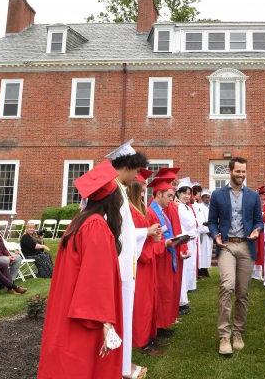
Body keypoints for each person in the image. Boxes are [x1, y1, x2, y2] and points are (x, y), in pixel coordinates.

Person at [38, 161, 125, 379]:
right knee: (80, 366)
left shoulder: (79, 222)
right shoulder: (96, 226)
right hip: (84, 316)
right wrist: (106, 323)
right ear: (112, 200)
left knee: (63, 364)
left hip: (67, 305)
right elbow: (96, 280)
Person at [106, 140, 159, 379]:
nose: (138, 176)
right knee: (120, 316)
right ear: (126, 166)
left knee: (125, 316)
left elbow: (126, 232)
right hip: (118, 264)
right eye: (136, 170)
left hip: (127, 262)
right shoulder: (112, 192)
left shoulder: (119, 190)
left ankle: (124, 365)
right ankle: (120, 366)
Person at [208, 156, 262, 355]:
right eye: (238, 171)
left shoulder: (253, 196)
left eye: (243, 171)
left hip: (246, 247)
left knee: (242, 292)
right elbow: (212, 221)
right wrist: (215, 235)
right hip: (228, 246)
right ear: (230, 171)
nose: (241, 174)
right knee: (226, 286)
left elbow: (259, 221)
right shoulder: (218, 195)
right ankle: (224, 335)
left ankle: (238, 332)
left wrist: (257, 230)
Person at [127, 172, 163, 350]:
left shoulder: (139, 208)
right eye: (142, 190)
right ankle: (140, 339)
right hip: (140, 262)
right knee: (140, 302)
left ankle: (148, 334)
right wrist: (148, 234)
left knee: (148, 299)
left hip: (146, 259)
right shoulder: (131, 210)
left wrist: (153, 235)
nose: (144, 193)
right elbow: (129, 237)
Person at [147, 174, 179, 334]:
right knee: (158, 292)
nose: (171, 200)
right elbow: (151, 240)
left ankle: (161, 324)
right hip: (157, 257)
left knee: (164, 291)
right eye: (169, 196)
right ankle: (157, 326)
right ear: (158, 194)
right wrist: (165, 243)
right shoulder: (151, 212)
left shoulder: (162, 211)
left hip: (165, 255)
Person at [175, 177, 197, 314]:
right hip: (184, 241)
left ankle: (184, 298)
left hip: (191, 241)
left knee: (188, 270)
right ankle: (181, 301)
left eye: (189, 193)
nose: (187, 196)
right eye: (184, 193)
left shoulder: (187, 207)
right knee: (182, 272)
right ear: (178, 193)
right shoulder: (178, 207)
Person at [194, 188, 212, 278]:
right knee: (202, 252)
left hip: (209, 232)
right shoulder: (199, 206)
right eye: (205, 197)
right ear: (202, 198)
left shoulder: (211, 207)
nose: (207, 199)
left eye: (208, 197)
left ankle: (205, 269)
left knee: (208, 251)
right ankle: (201, 270)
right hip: (203, 232)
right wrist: (207, 229)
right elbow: (200, 221)